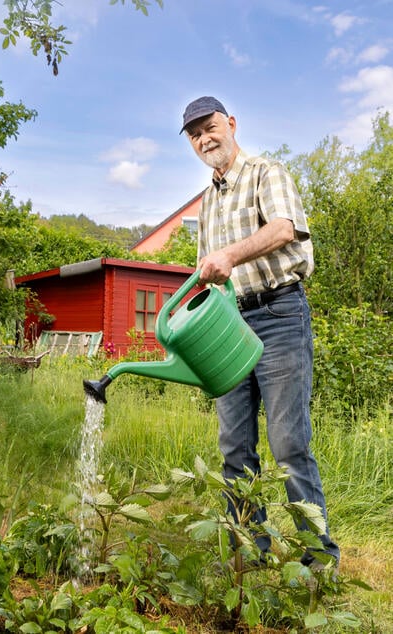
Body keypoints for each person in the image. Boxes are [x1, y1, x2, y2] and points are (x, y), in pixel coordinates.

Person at [180, 95, 340, 568]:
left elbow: (284, 229)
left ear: (230, 123)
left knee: (288, 444)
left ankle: (317, 561)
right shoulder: (207, 199)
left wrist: (229, 256)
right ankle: (249, 555)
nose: (204, 138)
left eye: (210, 127)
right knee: (234, 446)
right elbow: (206, 270)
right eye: (194, 135)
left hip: (279, 315)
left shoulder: (267, 172)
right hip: (229, 325)